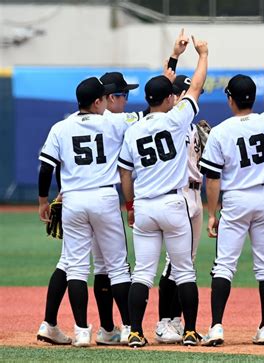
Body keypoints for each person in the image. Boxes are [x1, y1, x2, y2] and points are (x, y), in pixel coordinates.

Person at [198, 43, 264, 347]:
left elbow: (212, 178)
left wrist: (212, 213)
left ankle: (216, 327)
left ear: (230, 99)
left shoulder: (221, 132)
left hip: (236, 199)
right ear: (251, 98)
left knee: (224, 265)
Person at [117, 35, 208, 348]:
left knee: (143, 273)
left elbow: (125, 174)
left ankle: (135, 332)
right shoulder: (177, 119)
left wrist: (129, 204)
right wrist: (203, 55)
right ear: (170, 98)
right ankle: (191, 331)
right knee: (184, 270)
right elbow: (194, 87)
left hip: (143, 205)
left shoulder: (133, 129)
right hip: (173, 202)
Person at [38, 77, 136, 347]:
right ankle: (128, 328)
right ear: (97, 102)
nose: (107, 102)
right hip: (103, 196)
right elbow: (148, 115)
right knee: (117, 266)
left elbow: (47, 167)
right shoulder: (113, 122)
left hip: (73, 200)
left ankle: (82, 330)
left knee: (76, 269)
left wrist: (42, 201)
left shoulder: (61, 127)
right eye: (104, 98)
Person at [155, 74, 206, 344]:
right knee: (174, 263)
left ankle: (179, 323)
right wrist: (171, 64)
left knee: (187, 262)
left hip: (196, 196)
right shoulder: (169, 125)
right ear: (172, 97)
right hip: (180, 194)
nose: (189, 95)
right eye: (183, 92)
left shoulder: (192, 127)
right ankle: (167, 322)